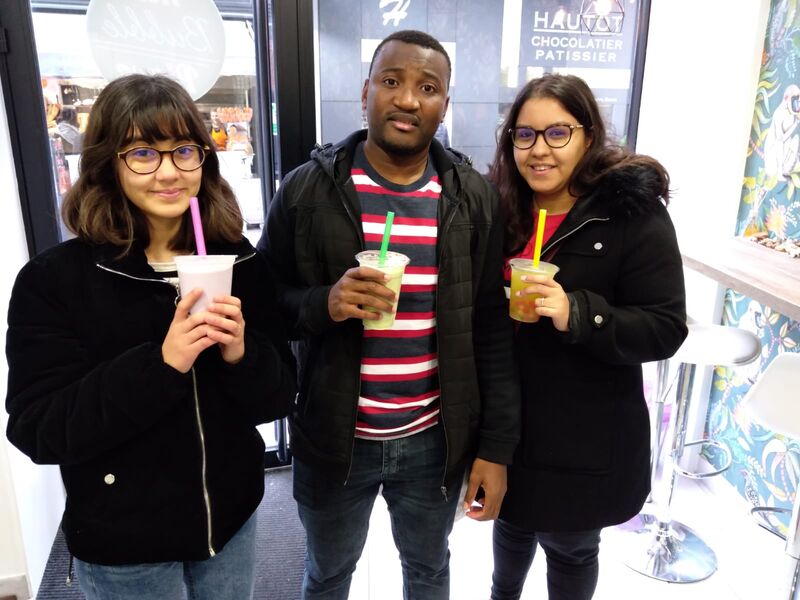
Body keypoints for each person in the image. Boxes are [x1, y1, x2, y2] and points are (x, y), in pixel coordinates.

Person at [5, 74, 296, 600]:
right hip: (125, 545)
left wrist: (241, 354)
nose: (168, 172)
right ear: (107, 164)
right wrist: (161, 365)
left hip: (230, 522)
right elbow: (38, 428)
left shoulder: (240, 261)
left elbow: (277, 399)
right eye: (142, 153)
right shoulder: (55, 281)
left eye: (183, 150)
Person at [258, 29, 519, 599]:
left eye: (428, 87)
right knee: (328, 573)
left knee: (428, 570)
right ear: (365, 91)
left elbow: (491, 330)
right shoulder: (306, 191)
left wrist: (495, 449)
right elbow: (262, 304)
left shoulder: (472, 198)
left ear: (444, 105)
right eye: (392, 81)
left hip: (435, 439)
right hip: (334, 436)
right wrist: (324, 303)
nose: (407, 99)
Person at [487, 73, 688, 600]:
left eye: (558, 133)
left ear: (589, 135)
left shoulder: (631, 214)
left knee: (570, 545)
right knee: (510, 525)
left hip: (584, 431)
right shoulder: (500, 208)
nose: (539, 150)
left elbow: (665, 327)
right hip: (508, 421)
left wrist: (575, 311)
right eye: (524, 135)